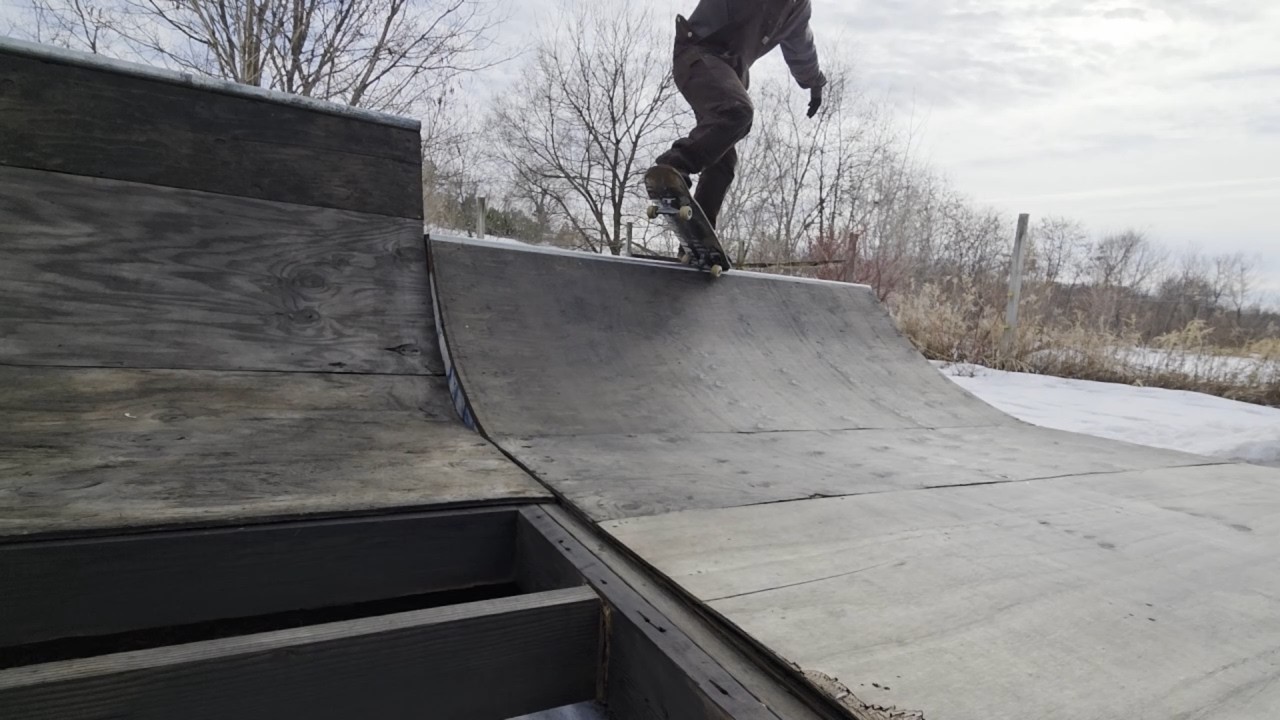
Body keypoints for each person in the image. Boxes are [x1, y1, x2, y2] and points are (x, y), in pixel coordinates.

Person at [653, 0, 827, 229]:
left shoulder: (798, 9)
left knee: (723, 161)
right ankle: (671, 168)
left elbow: (802, 48)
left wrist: (815, 83)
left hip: (726, 73)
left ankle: (699, 232)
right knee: (738, 111)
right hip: (698, 55)